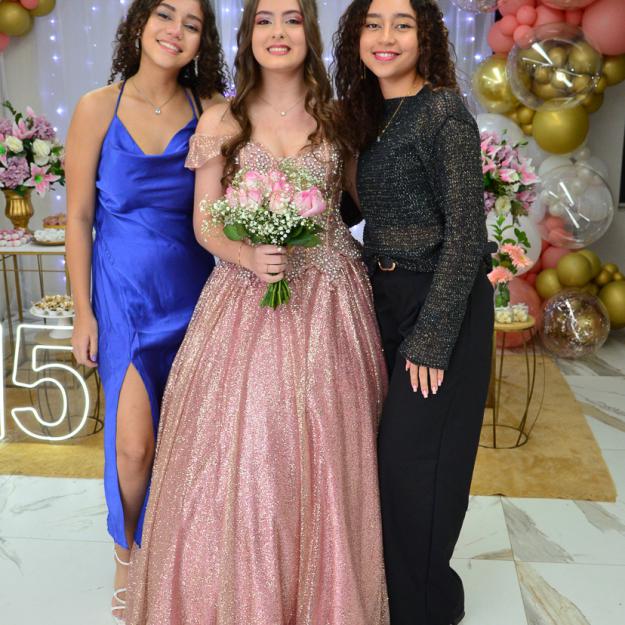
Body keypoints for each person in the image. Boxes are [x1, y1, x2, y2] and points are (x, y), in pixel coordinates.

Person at [125, 0, 389, 623]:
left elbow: (365, 200)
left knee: (328, 453)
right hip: (245, 299)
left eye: (291, 19)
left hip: (331, 300)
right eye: (265, 20)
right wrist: (249, 254)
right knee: (250, 452)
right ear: (248, 35)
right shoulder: (224, 117)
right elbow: (206, 224)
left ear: (309, 32)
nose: (278, 32)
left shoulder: (338, 117)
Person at [64, 0, 226, 620]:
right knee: (133, 447)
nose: (175, 31)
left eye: (192, 24)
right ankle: (127, 552)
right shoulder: (96, 107)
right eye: (164, 15)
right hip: (123, 297)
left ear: (202, 41)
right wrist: (84, 312)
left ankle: (176, 553)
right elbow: (79, 217)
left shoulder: (211, 109)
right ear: (139, 24)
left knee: (188, 444)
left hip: (197, 296)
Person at [334, 1, 494, 624]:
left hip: (441, 300)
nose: (386, 36)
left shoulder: (442, 111)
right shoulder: (365, 113)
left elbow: (467, 234)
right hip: (382, 299)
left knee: (414, 466)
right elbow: (354, 210)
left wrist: (432, 337)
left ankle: (428, 610)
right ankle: (391, 601)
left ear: (424, 37)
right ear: (356, 37)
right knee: (381, 462)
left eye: (402, 24)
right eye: (373, 24)